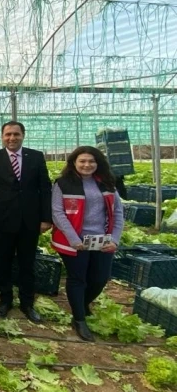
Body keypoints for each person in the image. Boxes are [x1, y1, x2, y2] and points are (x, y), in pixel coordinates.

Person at [51, 146, 124, 341]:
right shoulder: (63, 183)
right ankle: (79, 319)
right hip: (74, 241)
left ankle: (81, 304)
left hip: (102, 240)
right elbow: (58, 213)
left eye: (91, 161)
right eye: (82, 161)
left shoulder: (107, 183)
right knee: (77, 279)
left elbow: (117, 213)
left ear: (98, 163)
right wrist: (74, 239)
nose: (87, 165)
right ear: (74, 163)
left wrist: (114, 239)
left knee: (100, 278)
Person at [0, 121, 52, 323]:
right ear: (2, 137)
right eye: (8, 135)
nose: (12, 138)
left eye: (16, 134)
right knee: (3, 261)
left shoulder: (36, 157)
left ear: (23, 135)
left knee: (27, 263)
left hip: (30, 220)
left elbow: (45, 188)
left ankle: (27, 303)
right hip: (3, 220)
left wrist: (46, 218)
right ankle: (5, 300)